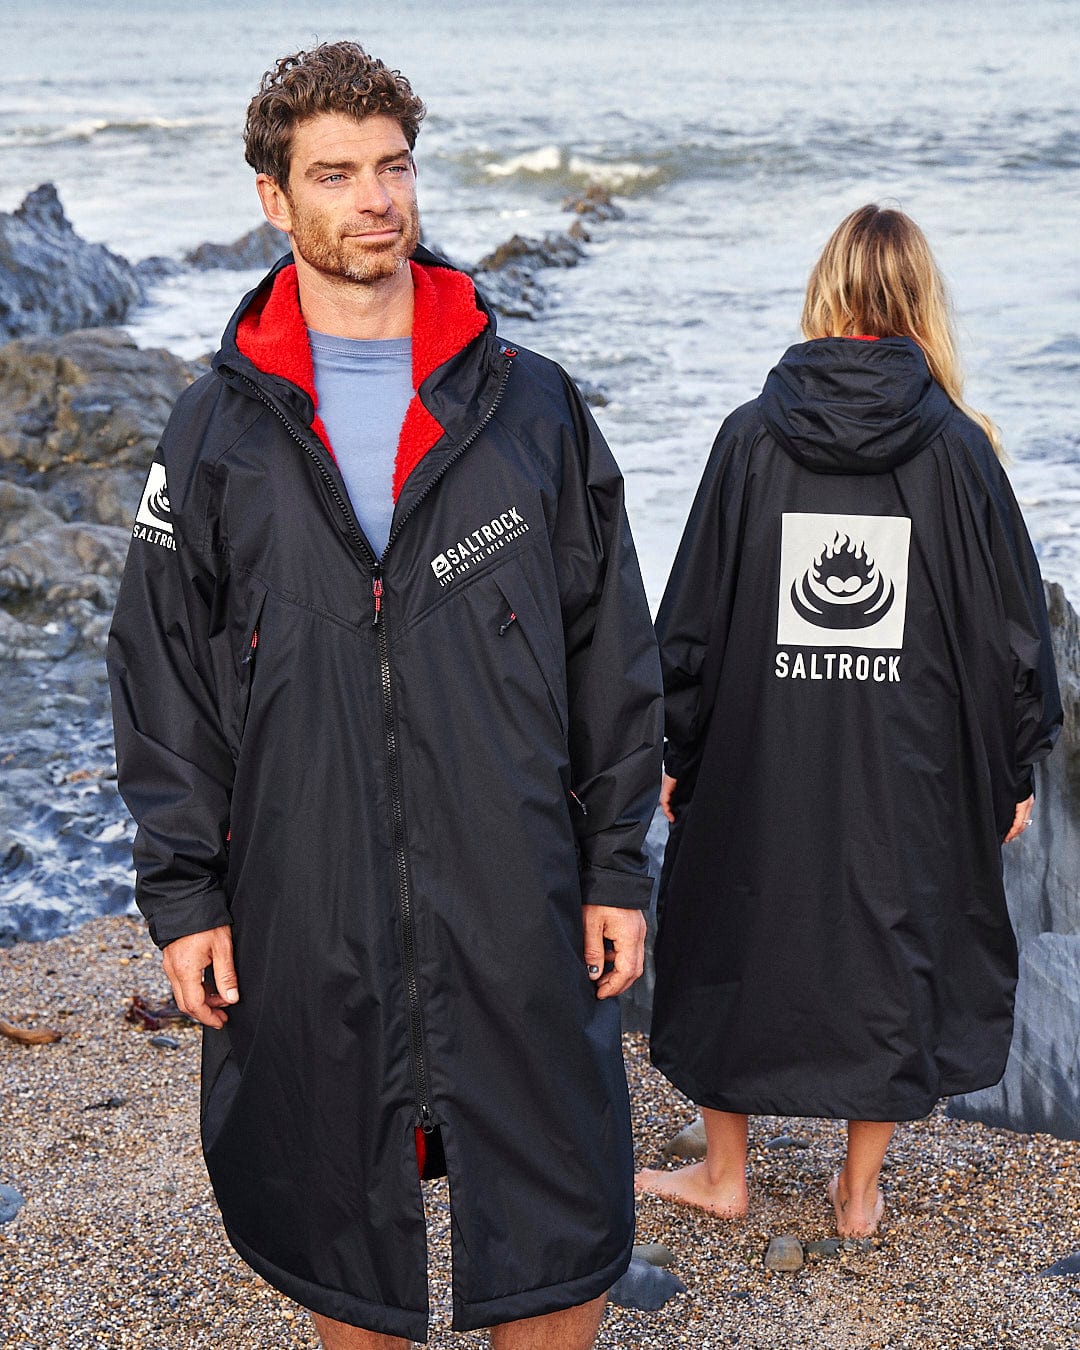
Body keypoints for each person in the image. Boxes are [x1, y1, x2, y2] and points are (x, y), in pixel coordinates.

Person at [107, 42, 662, 1349]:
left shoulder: (529, 405)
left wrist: (615, 867)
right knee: (335, 1205)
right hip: (304, 889)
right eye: (336, 173)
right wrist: (185, 895)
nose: (375, 199)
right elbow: (163, 674)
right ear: (272, 197)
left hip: (516, 878)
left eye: (394, 167)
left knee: (561, 1190)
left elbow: (610, 649)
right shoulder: (216, 430)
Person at [636, 205, 1061, 1238]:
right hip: (912, 763)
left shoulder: (749, 435)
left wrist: (674, 747)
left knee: (728, 920)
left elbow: (690, 617)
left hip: (759, 749)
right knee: (897, 937)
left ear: (826, 293)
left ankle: (725, 1173)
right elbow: (1013, 635)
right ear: (921, 300)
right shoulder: (958, 449)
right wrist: (1012, 769)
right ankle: (858, 1191)